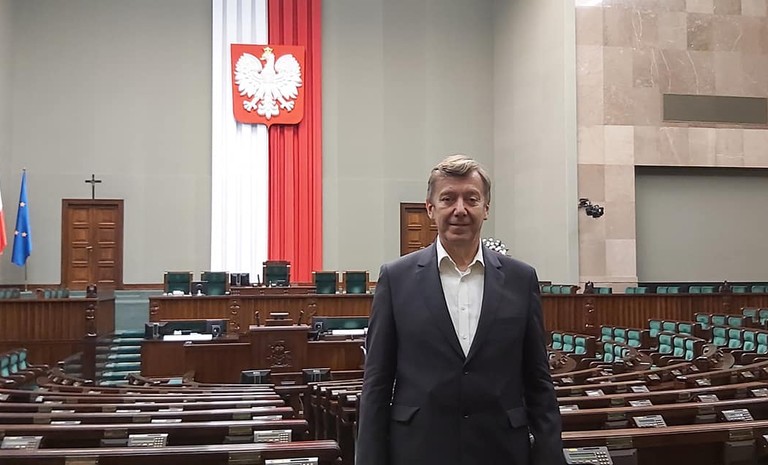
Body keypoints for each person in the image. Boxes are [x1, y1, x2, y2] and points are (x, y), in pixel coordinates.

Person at [356, 154, 564, 465]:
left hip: (501, 449)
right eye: (448, 199)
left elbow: (538, 380)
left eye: (471, 199)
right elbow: (377, 382)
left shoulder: (521, 279)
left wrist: (549, 455)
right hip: (419, 449)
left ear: (486, 208)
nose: (460, 209)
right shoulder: (396, 278)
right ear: (430, 208)